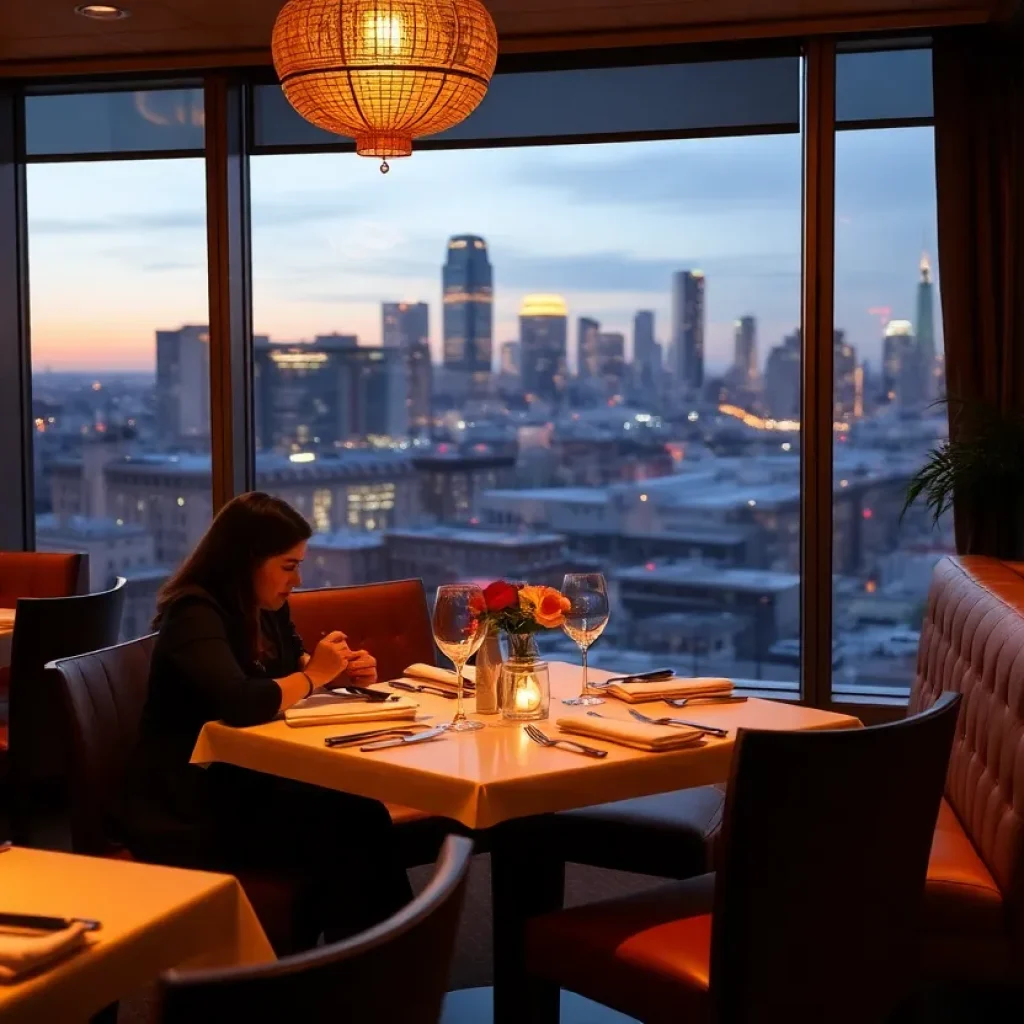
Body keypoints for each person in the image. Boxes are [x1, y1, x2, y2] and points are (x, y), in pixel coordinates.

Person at [124, 491, 413, 948]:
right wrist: (316, 675)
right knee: (353, 826)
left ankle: (376, 971)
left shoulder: (266, 610)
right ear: (246, 560)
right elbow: (241, 700)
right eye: (288, 565)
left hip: (245, 783)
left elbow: (286, 673)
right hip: (188, 806)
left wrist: (338, 671)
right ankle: (372, 972)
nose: (296, 579)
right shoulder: (195, 614)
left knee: (358, 817)